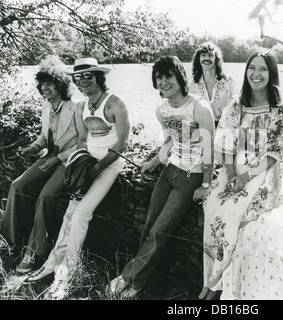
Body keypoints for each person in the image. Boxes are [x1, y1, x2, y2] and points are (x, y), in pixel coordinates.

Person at [199, 50, 283, 300]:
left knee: (234, 215)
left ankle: (228, 290)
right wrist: (230, 174)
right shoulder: (236, 105)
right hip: (234, 169)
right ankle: (212, 280)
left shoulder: (280, 110)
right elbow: (226, 143)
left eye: (263, 69)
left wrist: (246, 176)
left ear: (271, 73)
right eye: (252, 68)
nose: (256, 74)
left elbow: (275, 153)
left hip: (261, 172)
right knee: (212, 205)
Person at [108, 55, 215, 299]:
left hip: (190, 177)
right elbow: (170, 141)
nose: (164, 82)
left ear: (180, 77)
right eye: (159, 77)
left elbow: (210, 149)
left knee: (160, 231)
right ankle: (144, 278)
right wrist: (154, 161)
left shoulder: (199, 107)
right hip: (169, 173)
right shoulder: (162, 110)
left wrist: (206, 183)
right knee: (149, 224)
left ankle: (130, 282)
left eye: (169, 76)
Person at [25, 57, 131, 300]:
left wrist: (99, 166)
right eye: (79, 76)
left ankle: (67, 275)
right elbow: (83, 141)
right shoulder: (83, 105)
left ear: (98, 77)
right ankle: (51, 264)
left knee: (82, 213)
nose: (83, 80)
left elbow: (123, 143)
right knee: (69, 214)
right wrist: (78, 164)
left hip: (109, 165)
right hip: (87, 164)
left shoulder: (115, 103)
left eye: (88, 75)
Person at [0, 55, 79, 274]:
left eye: (50, 83)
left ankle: (34, 253)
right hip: (49, 157)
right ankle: (9, 239)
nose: (45, 88)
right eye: (42, 84)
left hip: (68, 161)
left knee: (46, 196)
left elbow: (82, 144)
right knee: (18, 185)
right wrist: (32, 148)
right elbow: (44, 138)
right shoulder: (46, 106)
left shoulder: (76, 108)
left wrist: (58, 159)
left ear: (61, 84)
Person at [189, 41, 238, 127]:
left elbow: (236, 109)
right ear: (198, 59)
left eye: (210, 55)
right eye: (203, 55)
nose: (206, 58)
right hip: (202, 131)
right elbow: (189, 113)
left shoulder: (229, 81)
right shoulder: (192, 84)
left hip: (225, 129)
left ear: (216, 59)